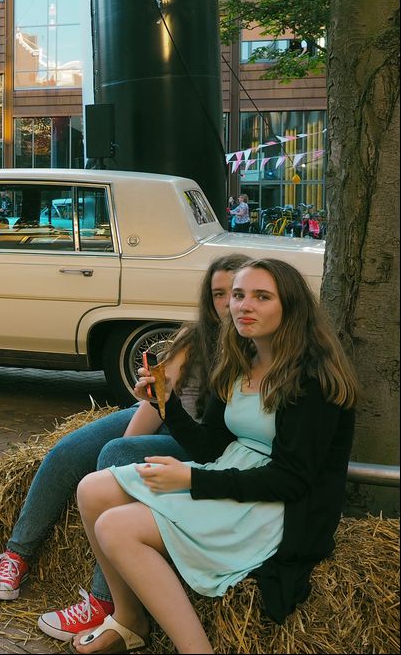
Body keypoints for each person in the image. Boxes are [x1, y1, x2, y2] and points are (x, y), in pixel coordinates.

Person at [67, 258, 357, 654]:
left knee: (116, 527)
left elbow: (292, 479)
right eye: (238, 295)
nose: (243, 306)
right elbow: (211, 447)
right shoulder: (241, 361)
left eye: (261, 297)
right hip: (231, 474)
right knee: (92, 490)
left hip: (277, 507)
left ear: (290, 307)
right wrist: (165, 404)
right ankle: (130, 619)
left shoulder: (312, 379)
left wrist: (191, 481)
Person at [4, 255, 251, 642]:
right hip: (168, 416)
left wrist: (125, 448)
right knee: (68, 450)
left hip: (199, 442)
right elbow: (160, 405)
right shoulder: (195, 337)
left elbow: (209, 441)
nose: (227, 303)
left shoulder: (248, 350)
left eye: (234, 293)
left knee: (114, 458)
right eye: (218, 293)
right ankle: (17, 554)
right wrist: (146, 409)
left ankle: (105, 602)